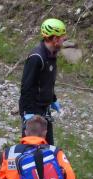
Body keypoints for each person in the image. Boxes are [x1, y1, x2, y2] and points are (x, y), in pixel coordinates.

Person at [19, 18, 67, 146]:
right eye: (62, 37)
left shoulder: (52, 55)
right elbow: (26, 87)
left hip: (44, 109)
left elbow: (47, 82)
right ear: (55, 39)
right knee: (31, 148)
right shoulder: (37, 57)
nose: (64, 39)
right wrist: (27, 114)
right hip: (33, 110)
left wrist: (52, 99)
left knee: (48, 147)